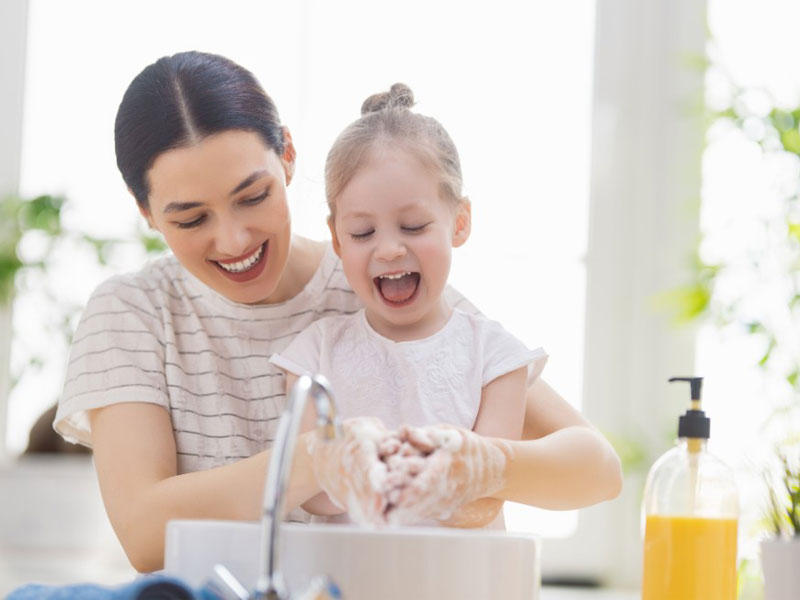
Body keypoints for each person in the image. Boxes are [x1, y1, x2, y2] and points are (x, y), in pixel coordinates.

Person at [53, 51, 622, 573]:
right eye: (190, 219)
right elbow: (145, 535)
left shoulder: (377, 283)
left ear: (289, 157)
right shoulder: (133, 313)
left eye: (253, 197)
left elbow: (595, 467)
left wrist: (486, 465)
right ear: (147, 212)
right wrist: (316, 463)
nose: (232, 240)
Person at [270, 84, 547, 528]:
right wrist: (352, 468)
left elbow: (486, 500)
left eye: (414, 226)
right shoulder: (312, 356)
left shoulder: (497, 358)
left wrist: (434, 475)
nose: (390, 249)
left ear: (459, 223)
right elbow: (308, 496)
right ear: (337, 238)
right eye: (362, 233)